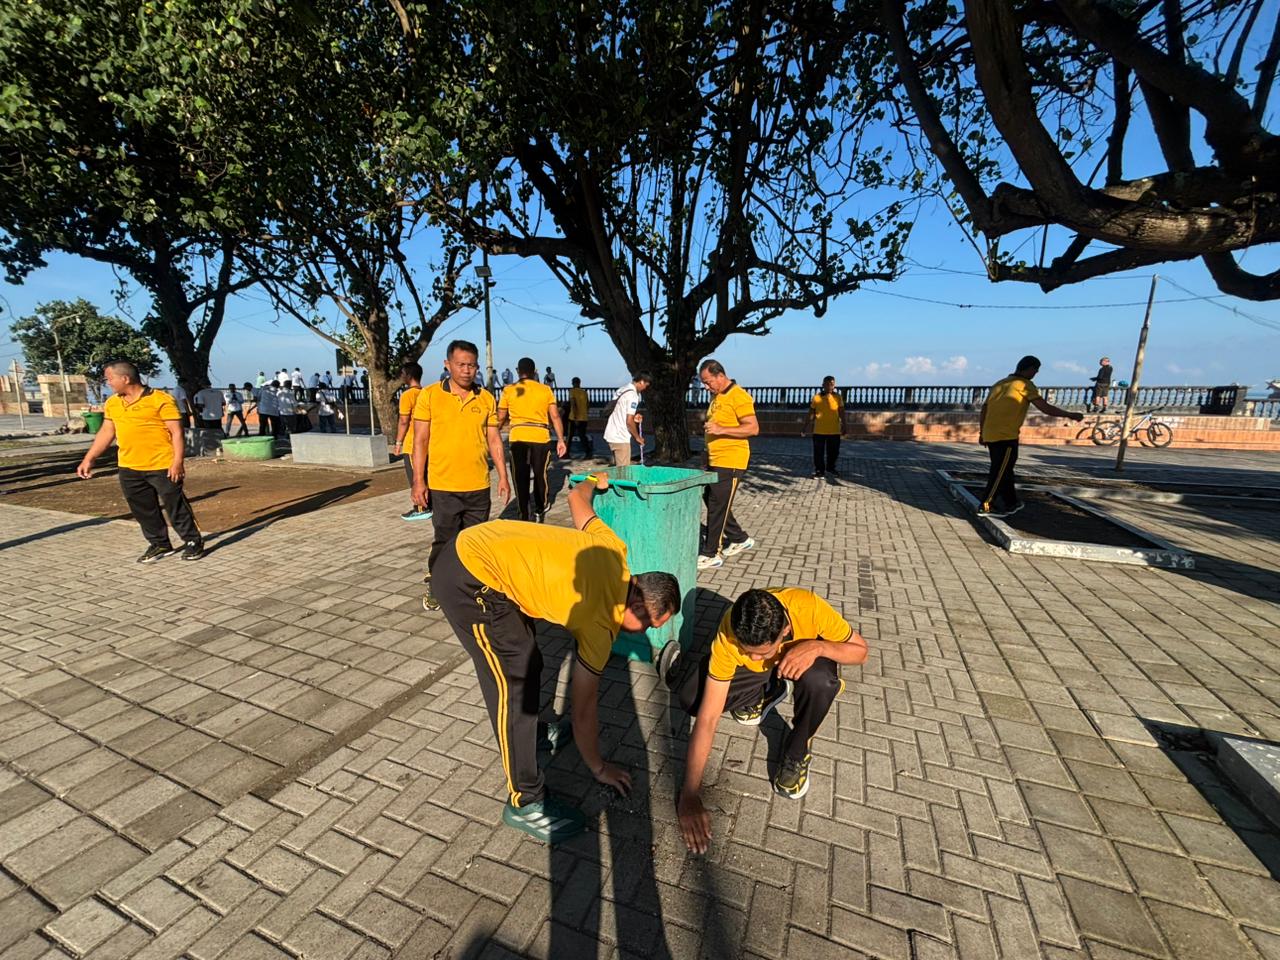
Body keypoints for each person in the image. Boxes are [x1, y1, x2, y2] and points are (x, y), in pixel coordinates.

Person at [433, 472, 681, 842]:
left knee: (529, 657)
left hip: (483, 549)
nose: (646, 631)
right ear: (636, 602)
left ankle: (533, 734)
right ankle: (525, 801)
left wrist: (594, 481)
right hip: (468, 579)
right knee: (513, 682)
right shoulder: (601, 624)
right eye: (649, 623)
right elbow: (583, 708)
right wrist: (598, 767)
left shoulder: (613, 549)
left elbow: (577, 500)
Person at [661, 588, 867, 852]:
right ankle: (770, 690)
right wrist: (690, 794)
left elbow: (861, 651)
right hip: (769, 669)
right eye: (747, 651)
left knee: (820, 682)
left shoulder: (810, 607)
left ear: (784, 631)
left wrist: (818, 646)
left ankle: (796, 752)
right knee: (693, 699)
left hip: (807, 660)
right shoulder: (730, 630)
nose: (752, 658)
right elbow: (708, 719)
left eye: (761, 652)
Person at [410, 340, 511, 610]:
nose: (467, 370)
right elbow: (420, 441)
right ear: (448, 365)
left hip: (478, 485)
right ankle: (436, 586)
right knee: (445, 540)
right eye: (461, 365)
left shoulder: (486, 398)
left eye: (472, 365)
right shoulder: (430, 395)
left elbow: (494, 440)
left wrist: (503, 476)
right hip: (443, 486)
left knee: (474, 541)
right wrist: (418, 481)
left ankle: (469, 587)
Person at [75, 361, 205, 562]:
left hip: (162, 464)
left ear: (125, 379)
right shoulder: (112, 403)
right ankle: (160, 544)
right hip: (129, 466)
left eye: (110, 379)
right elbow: (107, 432)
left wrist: (177, 462)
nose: (108, 383)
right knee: (143, 509)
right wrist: (89, 458)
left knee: (175, 505)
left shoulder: (160, 399)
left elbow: (177, 433)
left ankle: (192, 541)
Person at [979, 355, 1084, 517]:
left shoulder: (1000, 384)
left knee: (1005, 470)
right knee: (999, 472)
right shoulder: (1025, 385)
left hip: (991, 433)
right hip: (1006, 435)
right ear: (1029, 369)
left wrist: (982, 432)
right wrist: (1070, 414)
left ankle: (1011, 502)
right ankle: (986, 505)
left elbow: (984, 409)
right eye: (1035, 370)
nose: (1036, 374)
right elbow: (1045, 408)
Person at [697, 359, 758, 569]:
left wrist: (721, 429)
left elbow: (752, 428)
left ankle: (712, 553)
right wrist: (707, 452)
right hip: (715, 458)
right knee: (710, 497)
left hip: (731, 460)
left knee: (717, 506)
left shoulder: (739, 396)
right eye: (704, 383)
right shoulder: (717, 397)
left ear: (720, 375)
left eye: (708, 382)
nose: (706, 387)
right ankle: (740, 538)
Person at [498, 357, 568, 522]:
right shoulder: (545, 390)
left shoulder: (509, 390)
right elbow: (555, 416)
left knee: (520, 477)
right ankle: (540, 506)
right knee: (540, 475)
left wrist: (493, 435)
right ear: (534, 371)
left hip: (518, 437)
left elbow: (500, 417)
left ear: (518, 371)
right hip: (540, 437)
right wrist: (561, 439)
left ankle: (524, 513)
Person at [394, 362, 430, 521]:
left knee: (416, 477)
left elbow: (404, 421)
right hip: (427, 441)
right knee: (426, 474)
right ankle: (429, 504)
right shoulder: (426, 393)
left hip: (412, 442)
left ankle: (421, 508)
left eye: (402, 374)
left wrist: (398, 442)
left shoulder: (407, 395)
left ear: (408, 376)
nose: (401, 377)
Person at [603, 372, 650, 466]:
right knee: (623, 470)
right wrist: (638, 437)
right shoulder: (633, 395)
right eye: (646, 385)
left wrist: (634, 416)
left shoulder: (622, 389)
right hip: (620, 437)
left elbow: (620, 411)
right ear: (641, 382)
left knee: (618, 468)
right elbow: (629, 421)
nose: (645, 388)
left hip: (612, 433)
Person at [804, 376, 844, 478]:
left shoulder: (838, 397)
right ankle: (819, 471)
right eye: (827, 384)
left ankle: (831, 468)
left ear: (834, 386)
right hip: (819, 430)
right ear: (823, 385)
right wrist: (805, 427)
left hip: (834, 430)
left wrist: (845, 425)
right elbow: (811, 413)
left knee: (834, 452)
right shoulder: (816, 398)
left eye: (832, 384)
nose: (829, 386)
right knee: (818, 453)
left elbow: (841, 412)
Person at [567, 377, 592, 458]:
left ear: (573, 383)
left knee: (569, 436)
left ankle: (566, 453)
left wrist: (575, 417)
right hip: (584, 418)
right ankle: (588, 452)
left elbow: (573, 404)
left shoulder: (572, 391)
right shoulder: (584, 392)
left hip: (573, 417)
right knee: (582, 436)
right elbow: (588, 405)